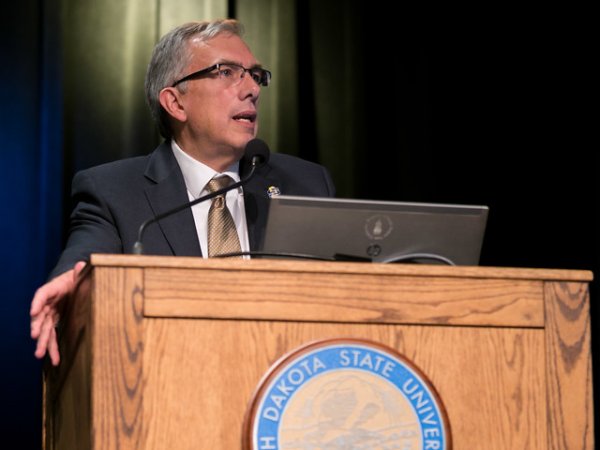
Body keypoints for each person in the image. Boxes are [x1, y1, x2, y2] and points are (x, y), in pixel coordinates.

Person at [30, 19, 335, 366]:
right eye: (227, 72)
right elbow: (86, 252)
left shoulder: (305, 183)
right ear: (175, 103)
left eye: (255, 74)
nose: (251, 88)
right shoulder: (114, 192)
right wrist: (72, 280)